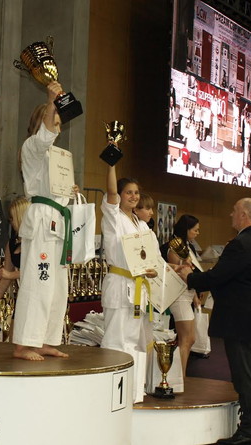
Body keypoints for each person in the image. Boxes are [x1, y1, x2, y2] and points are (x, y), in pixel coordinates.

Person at [178, 198, 251, 444]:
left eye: (234, 211)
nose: (231, 214)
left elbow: (218, 277)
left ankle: (250, 431)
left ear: (243, 214)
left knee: (246, 377)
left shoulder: (241, 243)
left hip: (242, 320)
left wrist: (190, 276)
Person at [12, 81, 76, 361]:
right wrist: (52, 101)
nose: (56, 128)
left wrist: (67, 192)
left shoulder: (58, 156)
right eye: (52, 122)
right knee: (38, 282)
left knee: (57, 287)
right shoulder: (32, 146)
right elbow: (44, 137)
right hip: (41, 220)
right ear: (40, 122)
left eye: (59, 124)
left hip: (58, 221)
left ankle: (45, 340)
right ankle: (23, 344)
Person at [100, 163, 157, 404]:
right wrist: (111, 165)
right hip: (119, 283)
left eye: (136, 193)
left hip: (138, 288)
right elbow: (111, 192)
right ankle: (110, 395)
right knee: (116, 340)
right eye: (128, 193)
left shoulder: (141, 224)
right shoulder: (113, 217)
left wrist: (152, 270)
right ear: (120, 196)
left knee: (135, 341)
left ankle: (133, 393)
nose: (133, 197)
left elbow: (150, 257)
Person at [161, 214, 205, 377]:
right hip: (179, 295)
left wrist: (195, 296)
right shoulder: (174, 246)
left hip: (188, 294)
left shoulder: (189, 247)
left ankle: (179, 375)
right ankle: (179, 377)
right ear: (186, 230)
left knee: (190, 339)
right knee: (185, 339)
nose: (197, 233)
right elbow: (179, 272)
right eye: (195, 230)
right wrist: (186, 265)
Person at [0, 196, 30, 315]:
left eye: (12, 218)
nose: (10, 221)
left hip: (36, 295)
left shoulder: (35, 243)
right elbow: (6, 276)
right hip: (23, 295)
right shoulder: (12, 243)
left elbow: (34, 271)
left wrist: (10, 275)